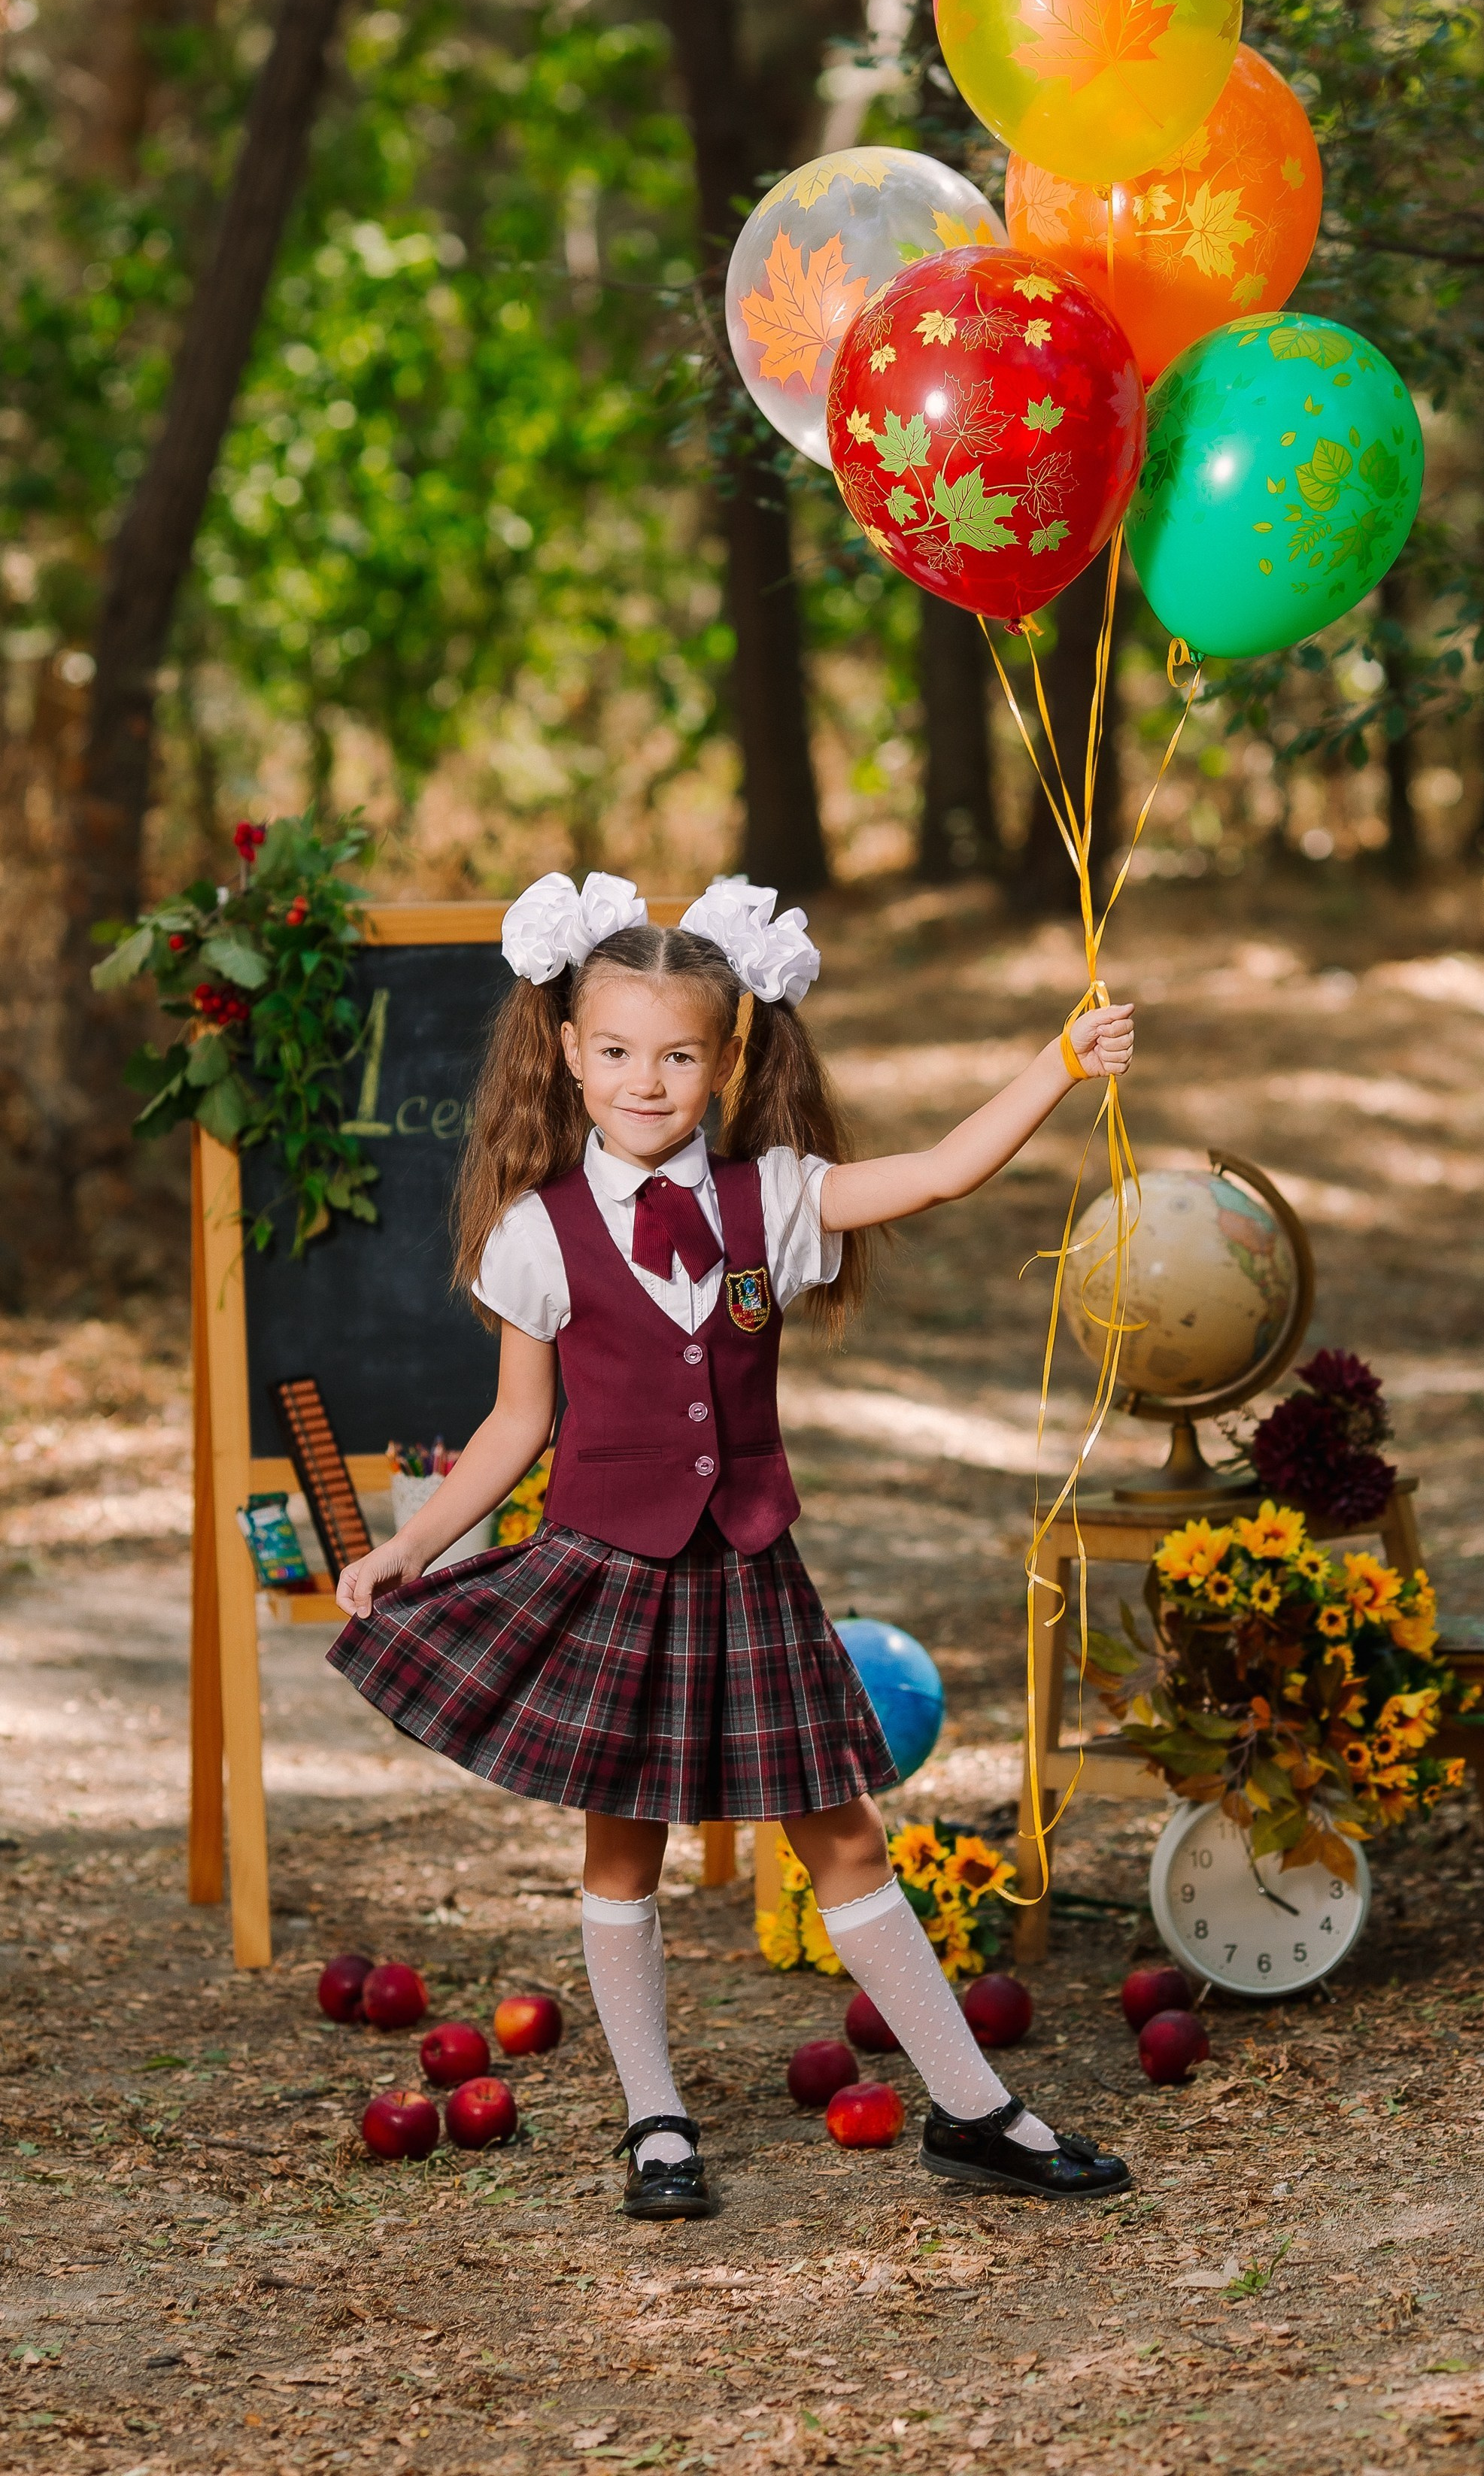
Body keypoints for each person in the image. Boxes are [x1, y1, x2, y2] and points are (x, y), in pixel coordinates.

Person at [330, 870, 1136, 2217]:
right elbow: (515, 1422)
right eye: (616, 1051)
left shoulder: (777, 1200)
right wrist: (413, 1543)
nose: (646, 1081)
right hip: (609, 1575)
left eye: (679, 1055)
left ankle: (975, 2110)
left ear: (723, 1060)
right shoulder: (538, 1230)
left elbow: (939, 1174)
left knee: (848, 1844)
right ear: (568, 1055)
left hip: (750, 1571)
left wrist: (1060, 1058)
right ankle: (655, 2122)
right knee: (621, 1853)